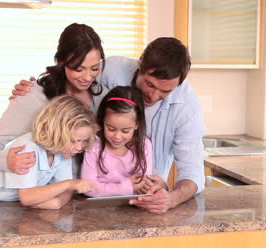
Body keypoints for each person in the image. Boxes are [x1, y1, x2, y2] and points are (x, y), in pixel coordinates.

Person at [13, 37, 206, 214]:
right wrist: (35, 90)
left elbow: (192, 170)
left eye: (165, 91)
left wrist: (173, 198)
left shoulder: (186, 107)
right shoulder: (111, 70)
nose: (153, 96)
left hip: (141, 201)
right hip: (77, 189)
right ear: (140, 64)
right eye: (150, 84)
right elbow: (74, 74)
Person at [0, 23, 108, 176]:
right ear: (61, 62)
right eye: (78, 69)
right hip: (42, 193)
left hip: (86, 190)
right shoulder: (33, 95)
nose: (87, 77)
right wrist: (5, 160)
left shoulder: (102, 96)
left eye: (94, 68)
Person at [0, 95, 98, 209]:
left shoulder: (64, 153)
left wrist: (58, 202)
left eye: (83, 141)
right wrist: (70, 184)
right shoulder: (27, 148)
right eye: (74, 140)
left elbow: (63, 190)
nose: (79, 148)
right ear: (56, 132)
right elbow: (28, 197)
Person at [81, 86, 152, 197]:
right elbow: (88, 187)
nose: (117, 137)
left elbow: (143, 184)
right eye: (111, 129)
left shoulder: (144, 145)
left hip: (133, 208)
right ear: (102, 121)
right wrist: (125, 188)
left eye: (125, 131)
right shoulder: (94, 145)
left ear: (137, 125)